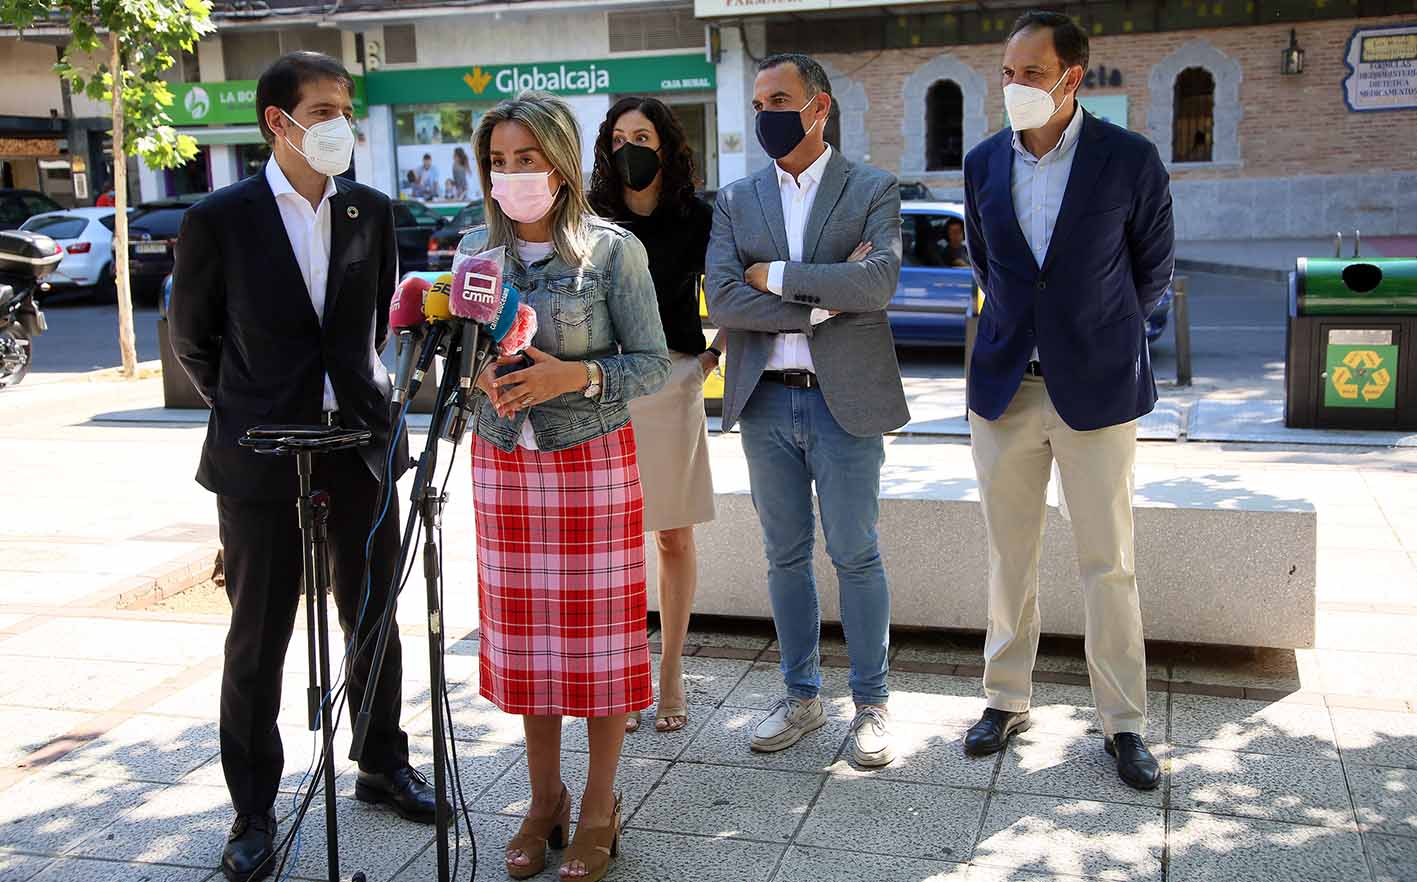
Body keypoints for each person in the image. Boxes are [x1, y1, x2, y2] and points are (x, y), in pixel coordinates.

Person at [168, 52, 434, 882]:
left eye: (345, 108)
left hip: (358, 447)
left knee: (371, 617)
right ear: (277, 123)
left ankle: (381, 760)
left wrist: (355, 409)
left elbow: (369, 329)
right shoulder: (221, 217)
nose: (340, 124)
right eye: (322, 109)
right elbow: (194, 339)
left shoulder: (369, 210)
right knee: (258, 638)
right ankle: (252, 809)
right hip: (260, 459)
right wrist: (258, 408)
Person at [961, 11, 1175, 791]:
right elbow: (990, 265)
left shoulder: (1129, 159)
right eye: (1006, 73)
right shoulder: (983, 161)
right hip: (1005, 388)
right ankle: (1004, 699)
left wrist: (1093, 330)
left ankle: (1122, 724)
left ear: (1071, 78)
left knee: (1107, 563)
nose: (1013, 86)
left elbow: (1151, 271)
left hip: (1098, 388)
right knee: (1007, 557)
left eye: (1029, 73)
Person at [462, 91, 670, 882]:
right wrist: (472, 376)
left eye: (528, 158)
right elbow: (448, 364)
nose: (512, 174)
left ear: (562, 163)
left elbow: (651, 363)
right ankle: (541, 800)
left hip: (590, 466)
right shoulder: (473, 253)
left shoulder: (612, 251)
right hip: (503, 466)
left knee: (598, 644)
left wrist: (573, 377)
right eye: (499, 161)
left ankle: (598, 806)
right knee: (528, 644)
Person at [705, 53, 908, 769]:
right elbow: (724, 298)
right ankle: (800, 696)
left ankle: (872, 703)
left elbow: (878, 282)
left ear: (818, 107)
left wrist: (780, 278)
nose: (766, 114)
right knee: (783, 556)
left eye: (780, 99)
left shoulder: (873, 187)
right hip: (765, 402)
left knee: (856, 554)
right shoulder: (736, 200)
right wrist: (826, 295)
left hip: (842, 404)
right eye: (758, 102)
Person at [587, 96, 719, 736]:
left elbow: (732, 289)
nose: (628, 148)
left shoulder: (700, 216)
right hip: (602, 386)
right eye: (617, 138)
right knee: (612, 541)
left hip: (671, 379)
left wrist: (709, 357)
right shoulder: (590, 217)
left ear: (666, 145)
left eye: (640, 136)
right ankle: (625, 675)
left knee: (671, 534)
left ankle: (669, 672)